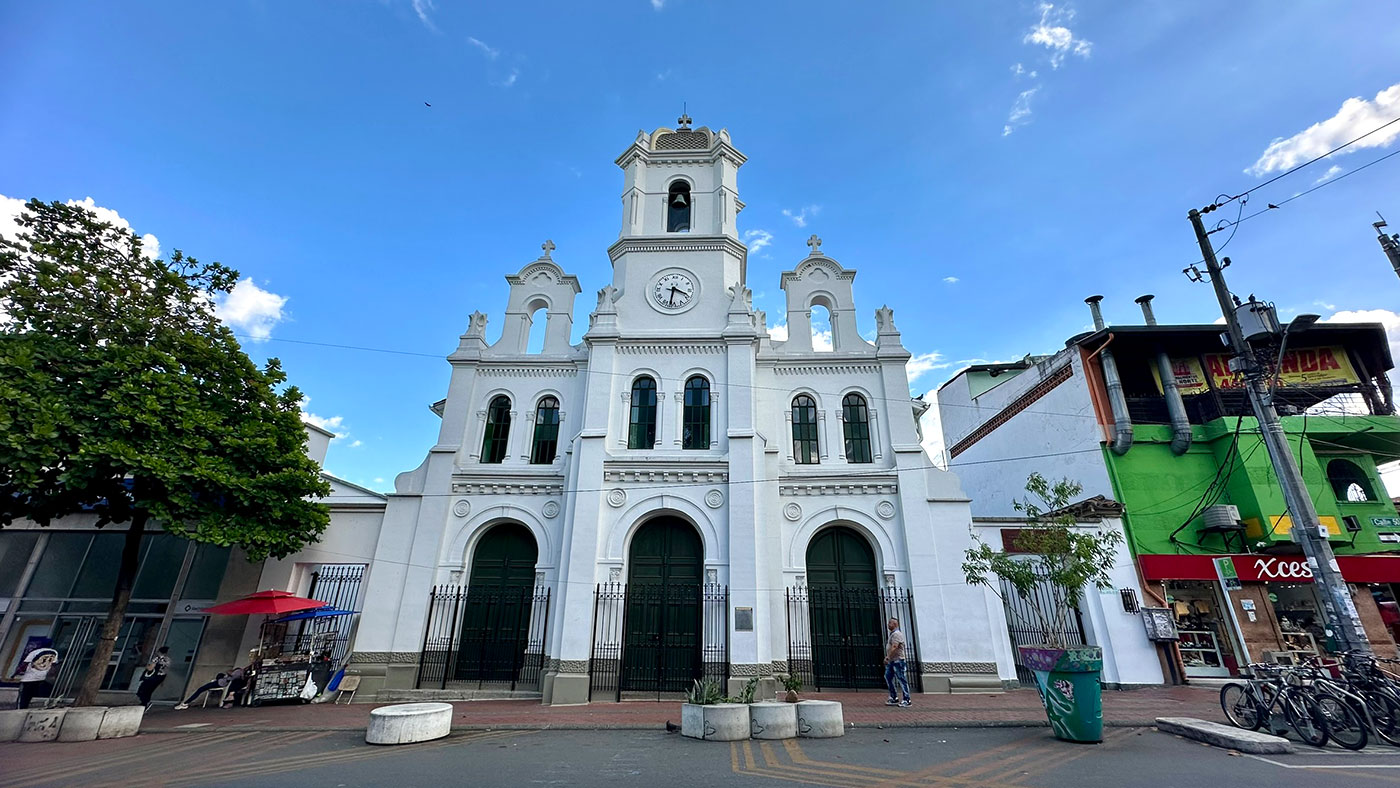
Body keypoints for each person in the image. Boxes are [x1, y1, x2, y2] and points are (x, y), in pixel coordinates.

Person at [12, 641, 59, 710]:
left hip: (29, 678)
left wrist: (15, 674)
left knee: (24, 697)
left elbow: (24, 665)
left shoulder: (35, 652)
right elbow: (54, 665)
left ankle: (21, 709)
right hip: (43, 677)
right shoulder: (54, 652)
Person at [174, 666, 241, 710]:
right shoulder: (237, 673)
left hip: (219, 683)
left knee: (201, 689)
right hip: (219, 682)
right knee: (201, 689)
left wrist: (231, 672)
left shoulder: (238, 672)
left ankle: (185, 703)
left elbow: (229, 673)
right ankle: (186, 702)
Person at [883, 617, 911, 708]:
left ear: (895, 624)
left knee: (901, 679)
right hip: (892, 661)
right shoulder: (892, 634)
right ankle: (894, 697)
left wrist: (888, 657)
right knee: (888, 677)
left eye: (890, 623)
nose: (888, 624)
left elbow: (895, 646)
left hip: (898, 660)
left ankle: (907, 699)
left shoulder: (896, 634)